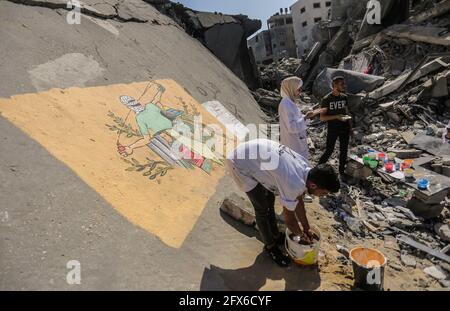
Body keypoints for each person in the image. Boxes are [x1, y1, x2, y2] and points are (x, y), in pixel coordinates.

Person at [226, 139, 340, 267]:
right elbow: (290, 221)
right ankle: (270, 247)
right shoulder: (293, 183)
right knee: (262, 208)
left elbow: (298, 200)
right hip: (240, 164)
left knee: (269, 199)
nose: (323, 196)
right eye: (324, 193)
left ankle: (274, 234)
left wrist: (306, 228)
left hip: (255, 158)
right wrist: (302, 236)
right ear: (313, 185)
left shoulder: (305, 168)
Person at [278, 77, 323, 161]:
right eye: (298, 89)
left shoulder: (290, 102)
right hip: (293, 144)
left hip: (297, 142)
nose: (300, 92)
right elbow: (291, 127)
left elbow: (296, 119)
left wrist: (307, 116)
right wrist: (305, 117)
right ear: (291, 89)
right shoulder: (285, 104)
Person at [318, 76, 353, 176]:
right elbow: (322, 118)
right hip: (333, 128)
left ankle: (342, 172)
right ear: (334, 85)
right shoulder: (326, 99)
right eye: (341, 84)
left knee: (344, 150)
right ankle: (318, 169)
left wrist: (351, 128)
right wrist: (336, 116)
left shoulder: (344, 97)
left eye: (344, 84)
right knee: (329, 150)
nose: (344, 86)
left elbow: (347, 112)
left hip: (345, 128)